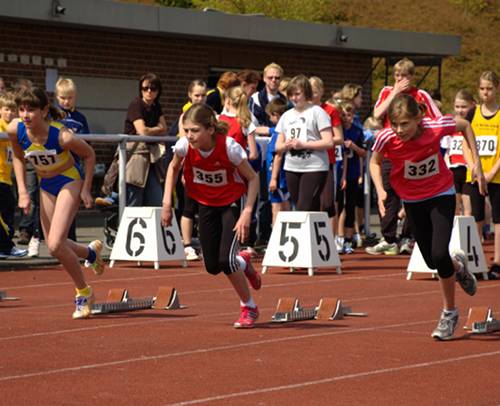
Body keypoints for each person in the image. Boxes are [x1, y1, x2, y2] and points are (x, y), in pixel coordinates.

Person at [370, 94, 486, 340]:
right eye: (395, 123)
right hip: (412, 200)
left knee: (439, 253)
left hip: (441, 194)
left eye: (405, 124)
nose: (399, 130)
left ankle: (449, 313)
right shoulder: (386, 137)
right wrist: (380, 190)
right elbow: (375, 162)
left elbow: (464, 125)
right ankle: (459, 268)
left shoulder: (434, 127)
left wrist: (477, 164)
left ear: (418, 118)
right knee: (433, 262)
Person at [7, 87, 104, 319]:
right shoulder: (16, 129)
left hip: (69, 180)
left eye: (31, 110)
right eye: (21, 110)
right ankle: (89, 253)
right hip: (46, 184)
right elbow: (19, 158)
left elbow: (89, 155)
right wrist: (22, 191)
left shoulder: (62, 136)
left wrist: (86, 190)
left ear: (44, 110)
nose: (25, 115)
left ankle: (84, 292)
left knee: (53, 245)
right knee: (55, 244)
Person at [161, 104, 262, 328]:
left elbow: (253, 178)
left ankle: (249, 307)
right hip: (205, 203)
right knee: (212, 266)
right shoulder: (183, 146)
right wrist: (167, 201)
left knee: (226, 261)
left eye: (194, 130)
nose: (189, 135)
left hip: (232, 202)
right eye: (186, 130)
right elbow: (172, 168)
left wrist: (247, 212)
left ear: (210, 129)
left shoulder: (229, 147)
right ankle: (243, 262)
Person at [368, 57, 441, 255]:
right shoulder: (386, 91)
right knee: (388, 195)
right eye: (396, 75)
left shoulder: (420, 95)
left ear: (411, 77)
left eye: (403, 76)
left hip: (414, 154)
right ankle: (389, 237)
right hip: (391, 152)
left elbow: (437, 119)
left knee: (412, 194)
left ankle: (409, 237)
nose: (399, 79)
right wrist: (395, 92)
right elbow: (377, 114)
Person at [275, 75, 334, 211]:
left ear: (306, 93)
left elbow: (329, 141)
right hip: (292, 167)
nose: (294, 98)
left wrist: (304, 145)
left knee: (303, 208)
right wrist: (286, 145)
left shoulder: (317, 112)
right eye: (291, 95)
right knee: (303, 207)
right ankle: (314, 231)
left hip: (315, 167)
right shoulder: (286, 115)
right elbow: (278, 146)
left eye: (297, 94)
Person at [463, 71, 500, 279]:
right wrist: (474, 168)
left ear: (497, 89)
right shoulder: (472, 114)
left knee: (498, 219)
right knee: (475, 217)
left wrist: (491, 172)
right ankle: (476, 260)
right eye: (482, 88)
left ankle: (498, 261)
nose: (485, 92)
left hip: (496, 175)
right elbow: (465, 143)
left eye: (489, 88)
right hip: (475, 175)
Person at [219, 86, 259, 254]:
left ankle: (223, 243)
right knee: (238, 209)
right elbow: (254, 153)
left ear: (227, 101)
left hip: (218, 170)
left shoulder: (217, 119)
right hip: (237, 171)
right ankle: (241, 243)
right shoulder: (246, 121)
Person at [54, 77, 91, 244]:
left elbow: (87, 143)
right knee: (53, 206)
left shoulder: (80, 118)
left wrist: (72, 140)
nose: (66, 101)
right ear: (56, 97)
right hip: (55, 166)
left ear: (75, 97)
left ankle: (71, 241)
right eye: (62, 98)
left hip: (73, 167)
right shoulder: (52, 115)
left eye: (69, 97)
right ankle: (45, 238)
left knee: (69, 208)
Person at [310, 76, 344, 241]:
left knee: (328, 204)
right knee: (309, 203)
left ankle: (331, 240)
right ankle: (312, 240)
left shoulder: (330, 110)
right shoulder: (302, 110)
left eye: (316, 91)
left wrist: (319, 140)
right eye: (310, 91)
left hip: (326, 162)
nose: (313, 95)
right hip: (305, 162)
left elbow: (339, 138)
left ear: (322, 92)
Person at [177, 79, 208, 261]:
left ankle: (207, 244)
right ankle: (187, 245)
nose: (200, 98)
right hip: (191, 167)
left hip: (209, 169)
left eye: (203, 95)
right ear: (190, 95)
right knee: (188, 208)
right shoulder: (185, 116)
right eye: (197, 95)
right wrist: (184, 172)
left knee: (207, 209)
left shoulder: (211, 115)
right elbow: (184, 145)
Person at [336, 101, 366, 254]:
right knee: (338, 206)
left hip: (353, 172)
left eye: (350, 115)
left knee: (351, 206)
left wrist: (354, 147)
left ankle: (348, 240)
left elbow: (364, 153)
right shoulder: (337, 131)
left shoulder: (357, 131)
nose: (347, 118)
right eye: (344, 115)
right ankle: (338, 237)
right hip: (339, 173)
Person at [0, 92, 27, 258]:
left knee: (9, 213)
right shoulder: (2, 127)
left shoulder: (14, 129)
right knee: (4, 217)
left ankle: (5, 247)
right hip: (0, 177)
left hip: (7, 179)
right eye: (6, 109)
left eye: (13, 110)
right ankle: (7, 246)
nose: (9, 113)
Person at [446, 89, 476, 216]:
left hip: (468, 171)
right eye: (457, 107)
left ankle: (472, 234)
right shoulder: (450, 124)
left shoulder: (474, 124)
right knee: (454, 208)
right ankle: (454, 235)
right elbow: (446, 150)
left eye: (464, 107)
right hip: (453, 171)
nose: (460, 110)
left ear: (473, 105)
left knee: (469, 209)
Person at [265, 98, 290, 225]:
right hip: (277, 177)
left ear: (276, 115)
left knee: (278, 209)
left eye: (271, 116)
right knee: (282, 208)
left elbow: (278, 156)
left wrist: (274, 178)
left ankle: (276, 239)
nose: (269, 119)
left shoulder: (280, 134)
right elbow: (263, 130)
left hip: (278, 178)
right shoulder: (277, 131)